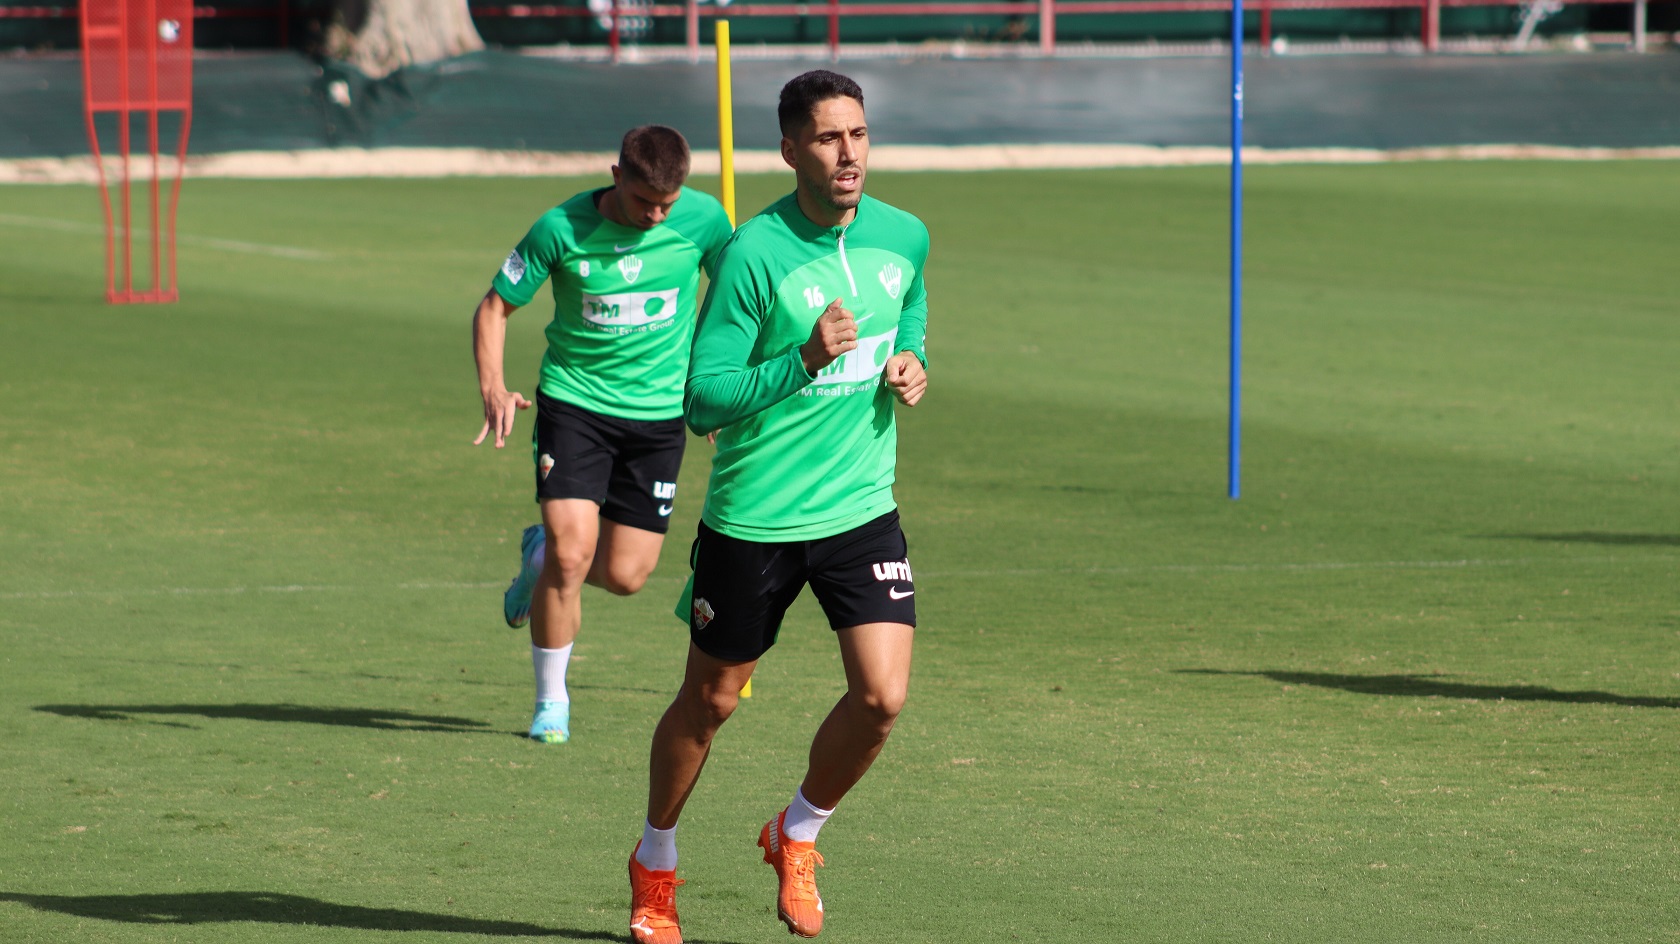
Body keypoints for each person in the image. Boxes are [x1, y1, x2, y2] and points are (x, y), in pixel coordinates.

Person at [627, 70, 930, 944]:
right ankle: (655, 864)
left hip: (861, 509)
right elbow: (704, 400)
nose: (849, 154)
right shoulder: (752, 253)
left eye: (860, 135)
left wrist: (909, 365)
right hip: (755, 520)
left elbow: (906, 319)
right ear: (791, 148)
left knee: (881, 697)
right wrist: (801, 358)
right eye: (830, 138)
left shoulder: (904, 236)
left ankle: (796, 833)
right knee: (710, 703)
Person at [472, 125, 733, 745]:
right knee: (573, 553)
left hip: (660, 417)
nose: (657, 214)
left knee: (625, 575)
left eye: (668, 204)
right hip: (575, 408)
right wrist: (493, 386)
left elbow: (735, 298)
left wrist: (724, 393)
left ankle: (538, 555)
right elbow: (494, 307)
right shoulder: (558, 229)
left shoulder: (704, 220)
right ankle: (550, 702)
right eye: (645, 201)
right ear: (617, 176)